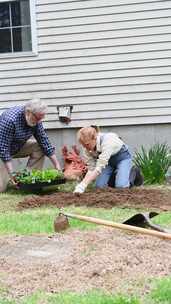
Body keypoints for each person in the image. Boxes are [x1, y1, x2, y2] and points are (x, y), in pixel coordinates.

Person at [0, 98, 61, 192]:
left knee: (39, 146)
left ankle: (29, 182)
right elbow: (3, 149)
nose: (38, 121)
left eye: (41, 119)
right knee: (1, 188)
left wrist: (57, 165)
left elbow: (44, 141)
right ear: (28, 112)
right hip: (2, 151)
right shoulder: (10, 120)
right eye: (37, 118)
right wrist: (11, 174)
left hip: (16, 146)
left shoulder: (36, 120)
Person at [74, 126, 132, 193]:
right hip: (107, 163)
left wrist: (83, 185)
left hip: (122, 158)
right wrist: (82, 184)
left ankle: (133, 173)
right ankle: (117, 176)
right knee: (99, 187)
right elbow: (91, 169)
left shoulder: (108, 141)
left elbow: (98, 168)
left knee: (121, 187)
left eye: (87, 144)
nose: (85, 148)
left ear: (94, 138)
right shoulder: (87, 149)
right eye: (83, 145)